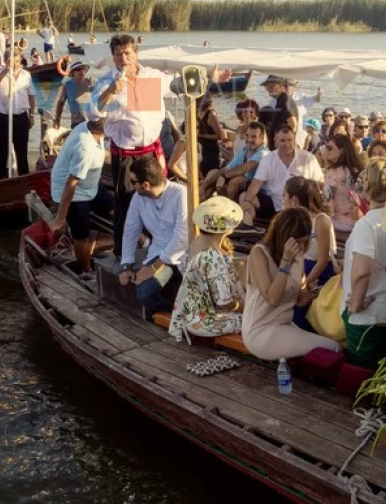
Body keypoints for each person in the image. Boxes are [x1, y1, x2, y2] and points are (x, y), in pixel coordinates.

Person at [87, 34, 179, 259]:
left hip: (151, 152)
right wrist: (111, 90)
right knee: (127, 204)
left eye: (128, 53)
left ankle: (155, 248)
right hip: (126, 155)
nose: (124, 58)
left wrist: (212, 79)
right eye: (118, 54)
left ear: (136, 54)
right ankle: (123, 254)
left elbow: (179, 85)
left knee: (157, 199)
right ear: (113, 58)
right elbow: (92, 113)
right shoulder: (107, 81)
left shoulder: (152, 77)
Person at [242, 207, 339, 361]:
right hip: (261, 330)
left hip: (284, 325)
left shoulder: (298, 257)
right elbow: (272, 299)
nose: (301, 247)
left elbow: (298, 300)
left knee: (333, 345)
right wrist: (286, 262)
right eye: (297, 242)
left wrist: (311, 294)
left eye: (305, 242)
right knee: (332, 347)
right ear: (284, 237)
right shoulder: (259, 254)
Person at [341, 158, 386, 369]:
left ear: (367, 186)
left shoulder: (368, 223)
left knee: (363, 373)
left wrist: (355, 306)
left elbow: (362, 271)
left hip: (371, 315)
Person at [168, 196, 246, 343]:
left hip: (189, 314)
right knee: (255, 321)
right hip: (204, 321)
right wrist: (246, 306)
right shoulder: (214, 256)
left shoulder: (197, 242)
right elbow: (224, 304)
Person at [117, 156, 188, 316]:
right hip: (158, 255)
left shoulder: (181, 195)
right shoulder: (138, 198)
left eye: (133, 181)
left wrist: (154, 268)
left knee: (146, 293)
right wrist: (126, 265)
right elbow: (130, 230)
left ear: (146, 185)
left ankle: (178, 314)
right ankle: (170, 311)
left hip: (180, 258)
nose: (130, 184)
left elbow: (182, 238)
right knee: (144, 292)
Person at [236, 125, 323, 235]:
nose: (287, 144)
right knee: (245, 196)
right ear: (275, 141)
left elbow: (319, 185)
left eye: (290, 140)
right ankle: (247, 225)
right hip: (275, 204)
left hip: (300, 206)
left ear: (294, 139)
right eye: (282, 140)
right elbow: (256, 183)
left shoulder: (308, 158)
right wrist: (247, 202)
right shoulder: (268, 159)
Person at [50, 119, 113, 272]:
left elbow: (104, 154)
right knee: (81, 236)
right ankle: (85, 269)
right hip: (74, 193)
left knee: (116, 207)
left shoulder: (87, 126)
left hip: (90, 186)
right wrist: (60, 218)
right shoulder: (84, 148)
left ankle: (103, 240)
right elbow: (71, 184)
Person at [283, 177, 338, 331]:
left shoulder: (321, 220)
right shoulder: (294, 219)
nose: (283, 200)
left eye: (284, 196)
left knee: (298, 300)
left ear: (294, 199)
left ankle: (301, 334)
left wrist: (304, 284)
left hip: (317, 271)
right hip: (299, 269)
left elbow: (322, 260)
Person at [0, 51, 35, 179]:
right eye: (10, 61)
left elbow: (31, 95)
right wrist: (5, 71)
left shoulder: (26, 75)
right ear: (5, 61)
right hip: (2, 117)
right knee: (1, 152)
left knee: (21, 151)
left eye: (16, 61)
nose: (14, 64)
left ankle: (23, 180)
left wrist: (31, 115)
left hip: (20, 116)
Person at [200, 120, 268, 201]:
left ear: (262, 137)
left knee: (237, 180)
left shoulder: (263, 153)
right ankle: (201, 205)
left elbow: (244, 168)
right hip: (243, 185)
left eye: (254, 137)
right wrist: (205, 185)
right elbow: (225, 169)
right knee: (213, 173)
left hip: (260, 190)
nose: (249, 139)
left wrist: (224, 176)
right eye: (247, 135)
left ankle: (224, 209)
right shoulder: (243, 152)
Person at [322, 133, 364, 258]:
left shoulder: (334, 173)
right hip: (358, 222)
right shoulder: (357, 170)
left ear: (341, 151)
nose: (326, 151)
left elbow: (328, 207)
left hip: (340, 223)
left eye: (330, 148)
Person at [257, 75, 299, 149]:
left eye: (271, 85)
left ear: (280, 85)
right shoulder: (281, 100)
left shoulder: (284, 100)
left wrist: (284, 144)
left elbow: (293, 124)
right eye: (266, 86)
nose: (267, 88)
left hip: (281, 150)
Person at [53, 61, 92, 129]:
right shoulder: (67, 85)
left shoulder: (90, 83)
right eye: (78, 69)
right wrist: (57, 120)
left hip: (90, 123)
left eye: (82, 69)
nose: (81, 71)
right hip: (76, 123)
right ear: (73, 72)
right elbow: (61, 103)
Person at [197, 95, 226, 176]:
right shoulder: (196, 111)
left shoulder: (211, 114)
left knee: (208, 174)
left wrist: (202, 135)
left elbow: (220, 136)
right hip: (200, 149)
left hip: (211, 151)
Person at [287, 80, 321, 147]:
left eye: (290, 85)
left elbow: (316, 99)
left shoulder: (301, 96)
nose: (287, 87)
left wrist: (319, 94)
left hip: (298, 131)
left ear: (294, 86)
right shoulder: (277, 98)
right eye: (286, 85)